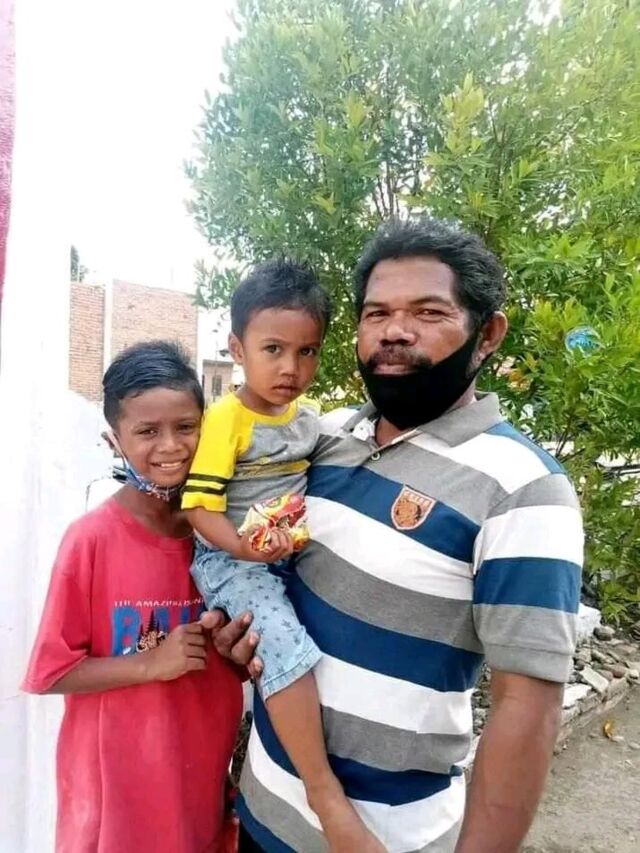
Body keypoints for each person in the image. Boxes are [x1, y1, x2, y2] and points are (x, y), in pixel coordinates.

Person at [211, 219, 584, 853]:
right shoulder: (320, 442)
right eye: (376, 313)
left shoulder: (523, 489)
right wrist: (239, 632)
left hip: (388, 836)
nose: (394, 330)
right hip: (266, 807)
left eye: (428, 312)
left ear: (488, 334)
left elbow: (526, 705)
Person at [182, 259, 383, 852]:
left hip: (283, 554)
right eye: (273, 349)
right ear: (237, 349)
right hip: (232, 559)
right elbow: (198, 509)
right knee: (286, 648)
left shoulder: (306, 420)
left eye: (307, 351)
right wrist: (243, 548)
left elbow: (348, 444)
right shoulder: (228, 419)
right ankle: (323, 792)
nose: (291, 368)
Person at [22, 341, 243, 853]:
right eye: (147, 431)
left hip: (201, 793)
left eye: (185, 427)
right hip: (116, 809)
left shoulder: (226, 538)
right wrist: (151, 664)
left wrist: (235, 653)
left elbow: (241, 657)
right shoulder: (91, 540)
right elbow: (51, 672)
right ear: (114, 440)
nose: (171, 446)